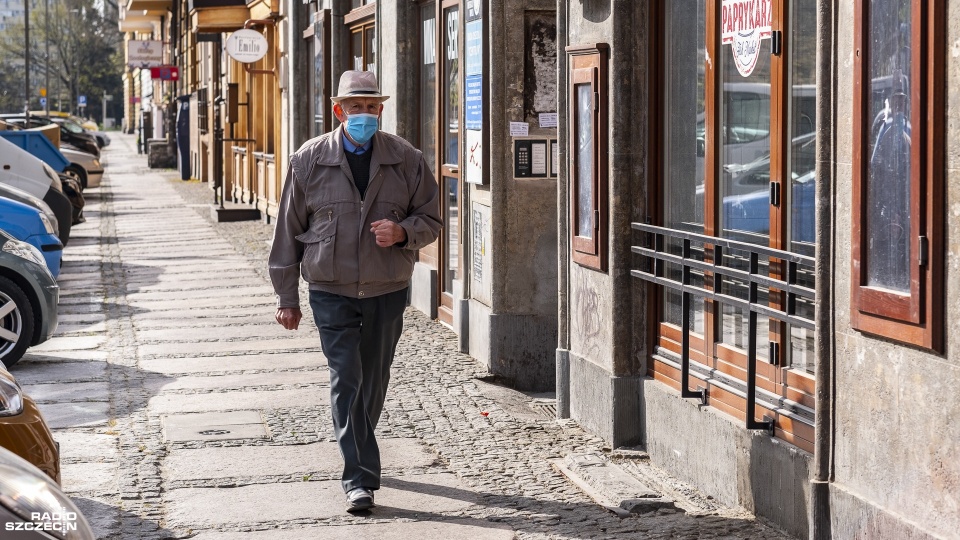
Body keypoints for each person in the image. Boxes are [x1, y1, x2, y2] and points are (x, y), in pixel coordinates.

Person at [268, 70, 442, 512]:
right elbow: (288, 233)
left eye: (370, 107)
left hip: (387, 288)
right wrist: (286, 297)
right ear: (338, 110)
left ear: (380, 109)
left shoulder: (407, 158)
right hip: (331, 288)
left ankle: (358, 453)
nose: (363, 114)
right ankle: (358, 478)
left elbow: (433, 220)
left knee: (374, 380)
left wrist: (403, 232)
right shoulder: (309, 160)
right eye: (354, 107)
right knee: (346, 377)